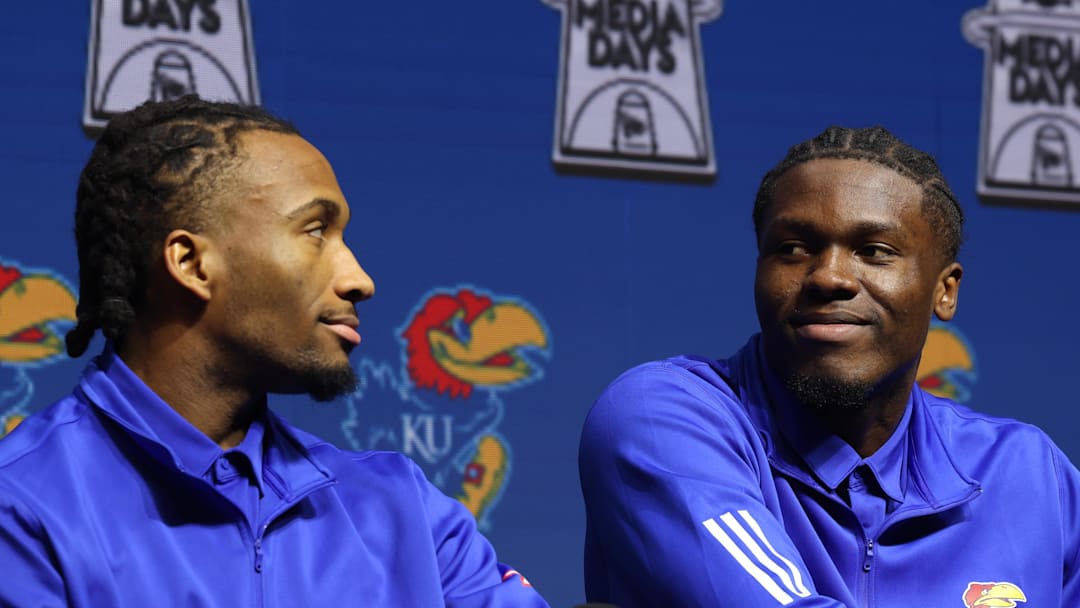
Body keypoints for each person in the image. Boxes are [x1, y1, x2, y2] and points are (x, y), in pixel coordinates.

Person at [0, 96, 549, 607]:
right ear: (192, 264)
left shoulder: (404, 509)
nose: (359, 279)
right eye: (315, 231)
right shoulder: (23, 506)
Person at [579, 126, 1080, 607]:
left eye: (874, 251)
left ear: (944, 291)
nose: (830, 277)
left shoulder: (1030, 475)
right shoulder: (659, 420)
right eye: (792, 249)